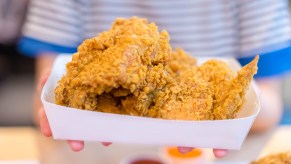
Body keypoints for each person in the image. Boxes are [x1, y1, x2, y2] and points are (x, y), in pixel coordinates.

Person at [19, 0, 291, 158]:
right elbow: (48, 97)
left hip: (213, 156)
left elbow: (269, 107)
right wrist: (52, 104)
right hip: (88, 153)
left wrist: (240, 102)